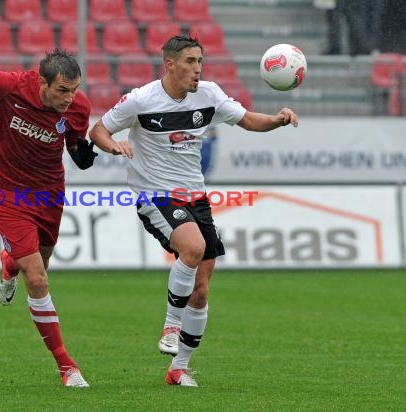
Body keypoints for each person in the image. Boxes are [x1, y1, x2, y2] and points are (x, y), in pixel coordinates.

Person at [88, 35, 299, 387]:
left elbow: (247, 120)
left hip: (195, 198)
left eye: (200, 61)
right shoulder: (141, 100)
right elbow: (98, 129)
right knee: (193, 247)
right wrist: (113, 146)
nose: (197, 69)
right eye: (189, 61)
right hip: (154, 195)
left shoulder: (210, 95)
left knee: (201, 289)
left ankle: (179, 368)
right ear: (169, 64)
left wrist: (277, 119)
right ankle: (171, 326)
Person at [0, 49, 97, 388]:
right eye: (62, 90)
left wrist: (80, 154)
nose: (70, 98)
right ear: (42, 82)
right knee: (37, 280)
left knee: (39, 262)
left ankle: (9, 263)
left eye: (74, 89)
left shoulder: (79, 107)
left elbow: (73, 141)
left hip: (49, 193)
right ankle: (67, 367)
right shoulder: (10, 86)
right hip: (7, 192)